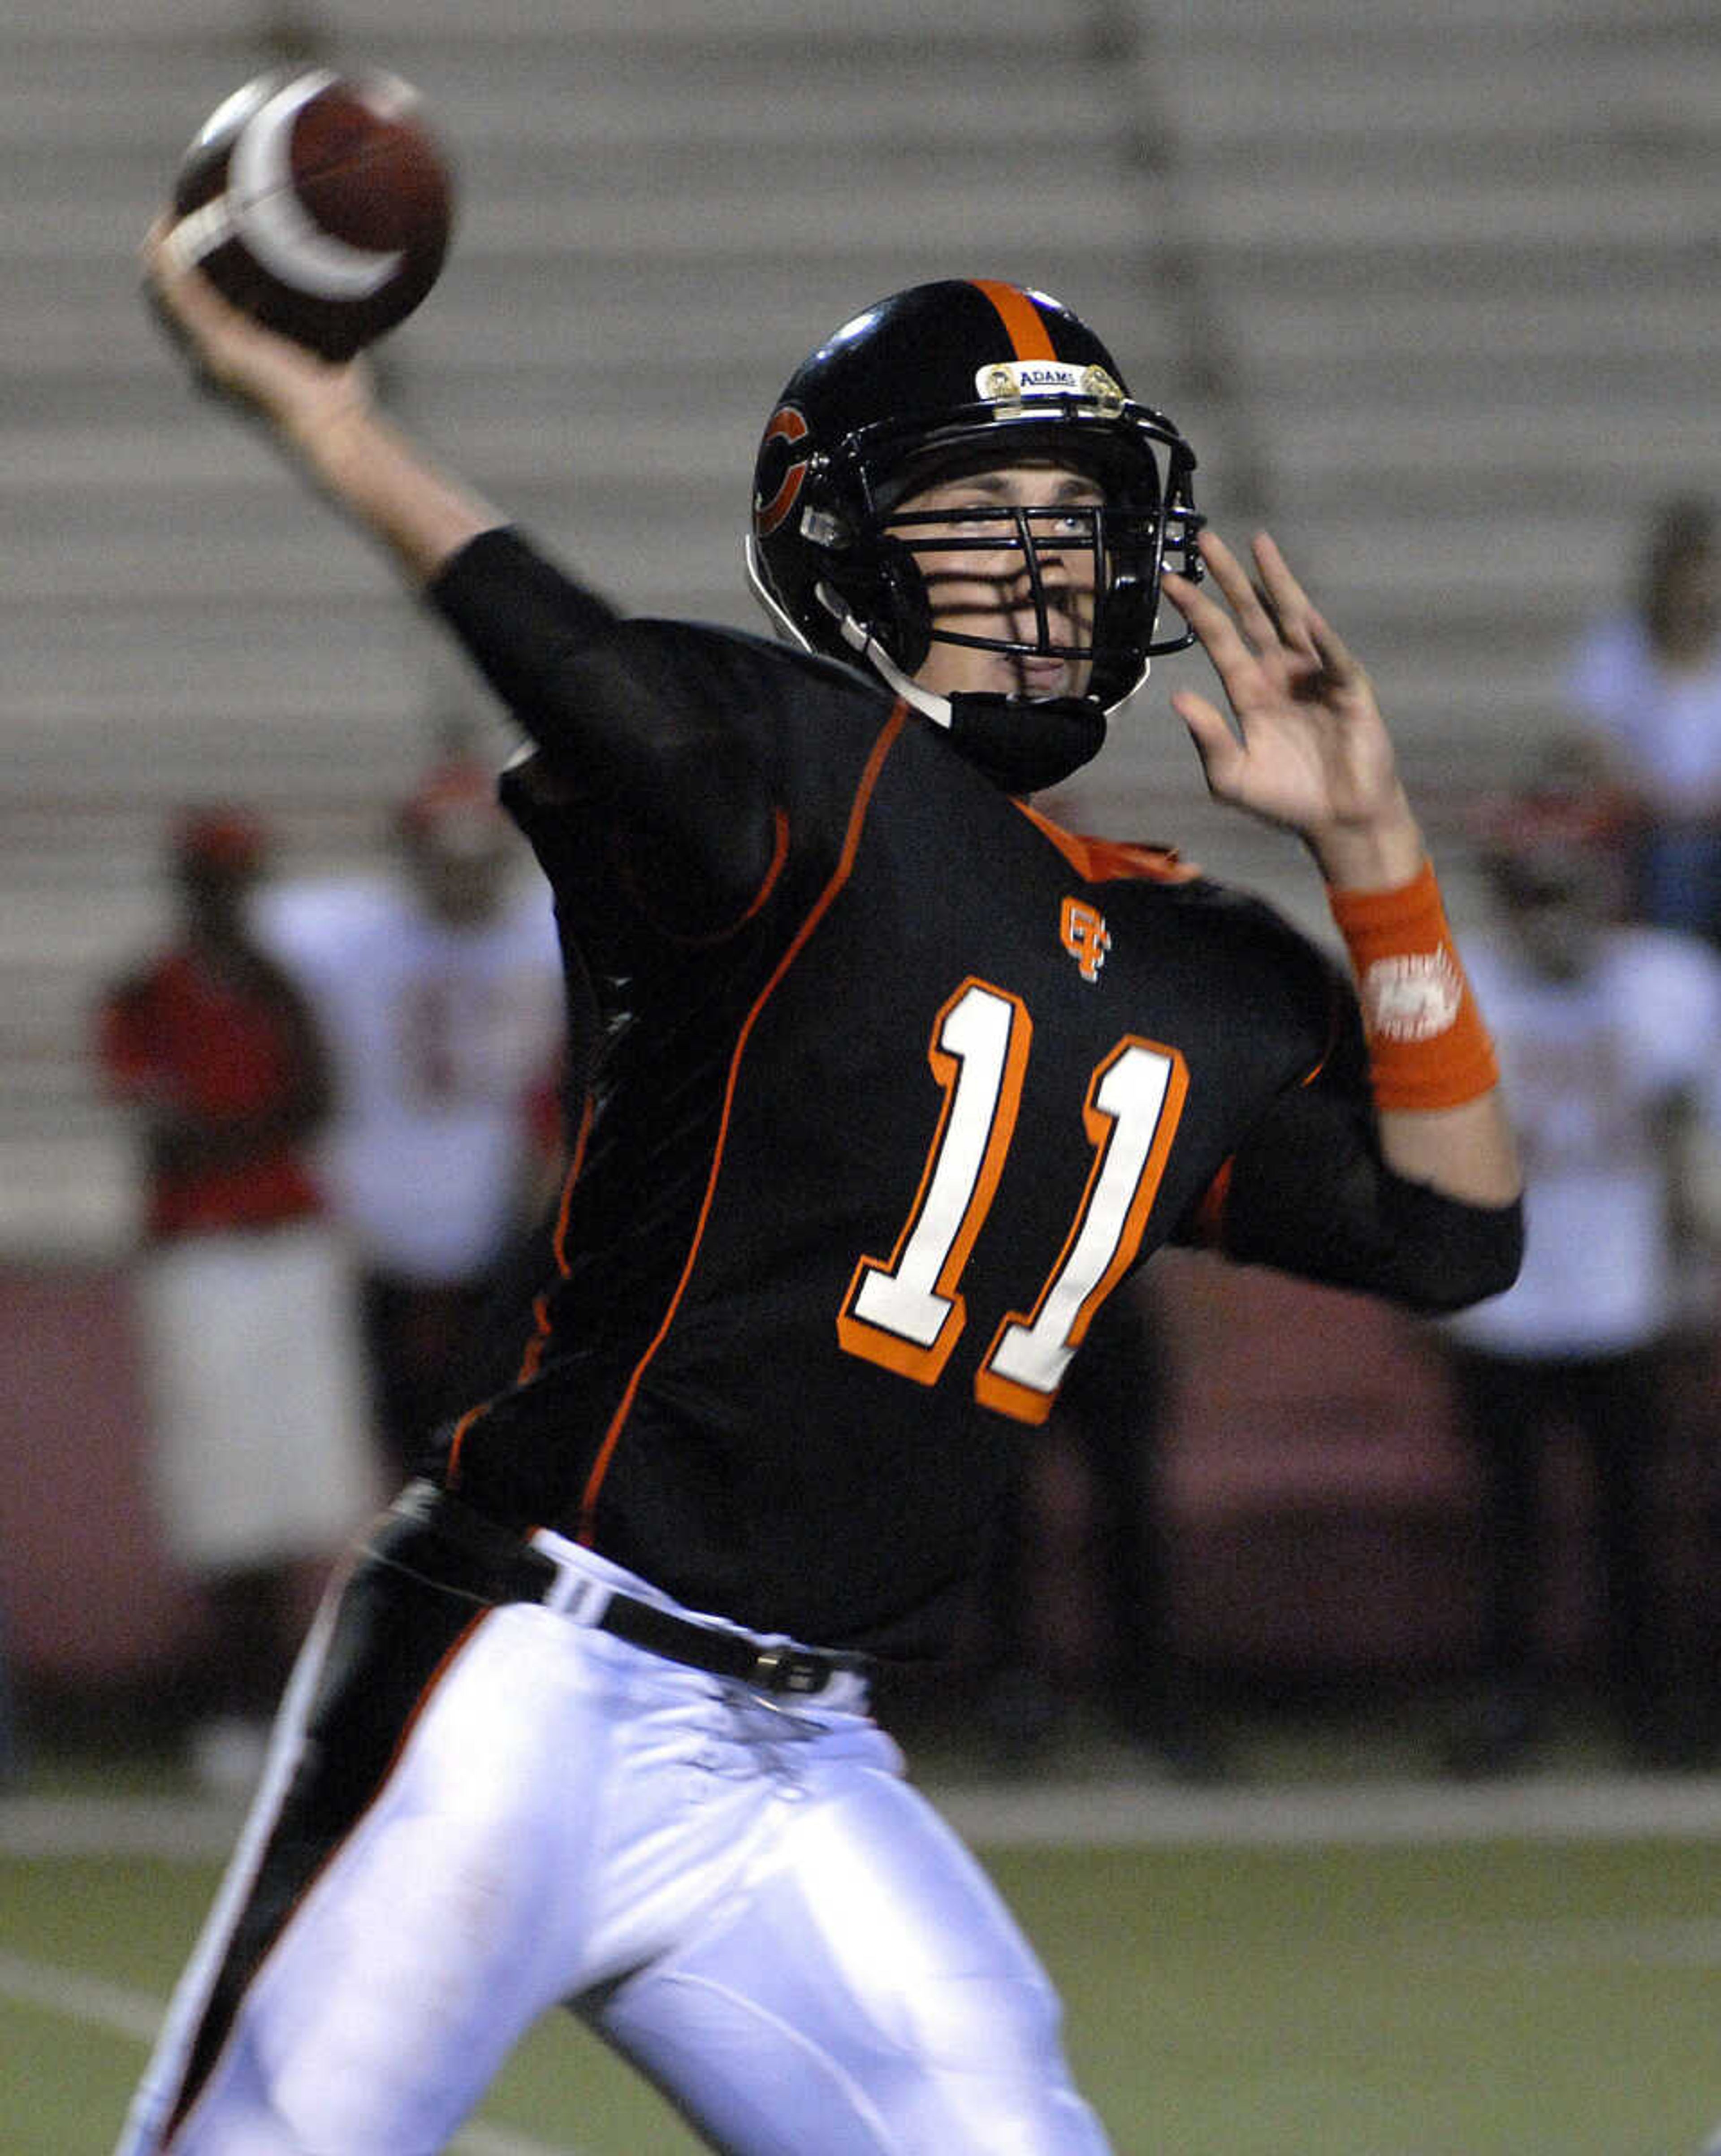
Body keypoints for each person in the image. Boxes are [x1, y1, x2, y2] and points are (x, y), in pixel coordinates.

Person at [124, 228, 1522, 2155]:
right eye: (982, 510)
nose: (1047, 562)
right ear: (845, 547)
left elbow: (1450, 1232)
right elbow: (591, 678)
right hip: (523, 1670)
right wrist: (335, 422)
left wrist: (1377, 855)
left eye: (1078, 511)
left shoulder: (1202, 960)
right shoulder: (799, 783)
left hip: (794, 1758)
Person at [1438, 762, 1721, 1777]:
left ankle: (1650, 1706)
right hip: (1499, 1300)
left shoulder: (1669, 987)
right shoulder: (1456, 983)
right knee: (1506, 1531)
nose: (1548, 917)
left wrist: (1696, 1268)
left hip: (1622, 1296)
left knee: (1633, 1523)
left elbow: (1694, 1148)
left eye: (1565, 887)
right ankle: (1506, 1703)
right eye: (1529, 889)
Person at [95, 808, 377, 1794]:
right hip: (205, 1253)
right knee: (223, 1493)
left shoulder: (278, 986)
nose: (228, 899)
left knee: (303, 1483)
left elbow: (321, 1098)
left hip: (290, 1246)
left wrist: (241, 1128)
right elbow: (173, 1131)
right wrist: (249, 1133)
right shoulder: (147, 993)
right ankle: (234, 1703)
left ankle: (291, 1699)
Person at [260, 749, 567, 1482]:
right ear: (408, 852)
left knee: (506, 1432)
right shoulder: (351, 930)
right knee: (394, 1432)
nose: (462, 878)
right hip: (378, 1222)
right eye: (444, 856)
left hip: (508, 1218)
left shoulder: (551, 931)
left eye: (478, 857)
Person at [974, 1277, 1227, 1781]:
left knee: (1130, 1512)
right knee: (1002, 1516)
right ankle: (1016, 1695)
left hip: (1102, 1299)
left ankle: (1148, 1700)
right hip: (1007, 1302)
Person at [1566, 494, 1721, 943]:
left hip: (1712, 818)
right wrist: (1663, 802)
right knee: (1675, 856)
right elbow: (1593, 747)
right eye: (1689, 573)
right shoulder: (1616, 651)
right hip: (1644, 825)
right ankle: (1677, 960)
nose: (1700, 588)